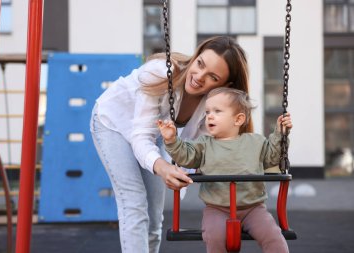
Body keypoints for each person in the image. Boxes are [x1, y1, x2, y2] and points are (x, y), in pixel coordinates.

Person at [90, 36, 252, 253]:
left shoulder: (213, 106)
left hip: (151, 133)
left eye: (212, 77)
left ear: (225, 85)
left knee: (155, 216)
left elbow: (200, 148)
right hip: (113, 122)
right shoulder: (160, 72)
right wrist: (163, 167)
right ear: (196, 56)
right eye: (200, 64)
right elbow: (141, 136)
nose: (198, 77)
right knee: (134, 202)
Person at [157, 87, 292, 253]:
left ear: (238, 119)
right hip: (217, 209)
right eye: (207, 112)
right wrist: (171, 140)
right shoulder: (204, 144)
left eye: (217, 111)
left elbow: (272, 157)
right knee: (214, 237)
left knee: (273, 236)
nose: (210, 116)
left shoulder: (255, 142)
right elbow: (185, 157)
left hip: (253, 208)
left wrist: (280, 134)